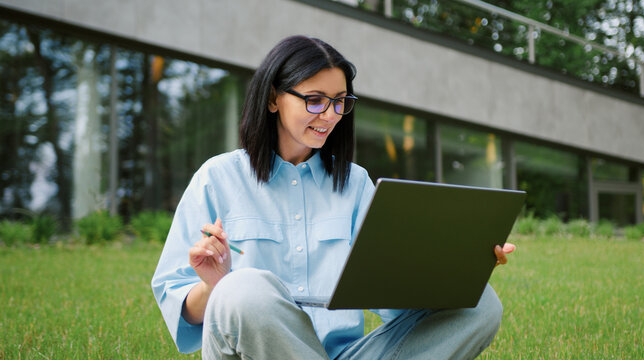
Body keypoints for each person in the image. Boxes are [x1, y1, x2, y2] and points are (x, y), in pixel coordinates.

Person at [151, 35, 516, 360]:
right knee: (244, 288)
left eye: (340, 102)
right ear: (274, 99)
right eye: (314, 100)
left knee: (480, 304)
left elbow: (394, 295)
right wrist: (216, 284)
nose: (329, 115)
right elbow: (180, 306)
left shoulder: (356, 185)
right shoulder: (217, 178)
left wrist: (461, 268)